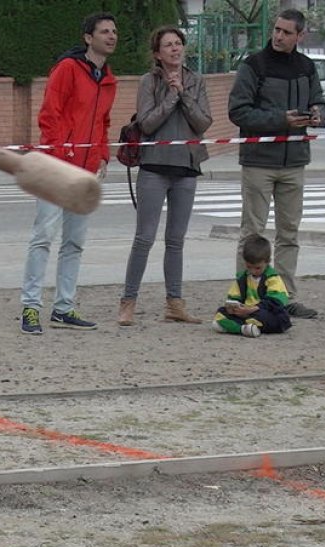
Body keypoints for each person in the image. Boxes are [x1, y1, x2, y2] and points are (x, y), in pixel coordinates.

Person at [19, 12, 117, 335]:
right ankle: (30, 307)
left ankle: (63, 306)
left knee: (74, 242)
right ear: (88, 37)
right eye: (104, 31)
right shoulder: (67, 70)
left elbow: (102, 122)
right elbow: (50, 114)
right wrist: (61, 155)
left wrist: (102, 155)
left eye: (114, 31)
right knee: (43, 237)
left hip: (86, 172)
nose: (111, 36)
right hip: (57, 166)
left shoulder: (109, 80)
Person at [227, 8, 324, 320]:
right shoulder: (254, 65)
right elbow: (238, 112)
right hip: (259, 160)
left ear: (300, 36)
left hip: (294, 160)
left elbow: (318, 98)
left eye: (286, 32)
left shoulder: (307, 67)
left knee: (289, 233)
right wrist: (278, 120)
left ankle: (285, 296)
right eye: (277, 30)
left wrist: (317, 111)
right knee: (252, 231)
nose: (279, 36)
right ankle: (245, 294)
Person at [117, 25, 211, 326]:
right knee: (144, 237)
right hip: (154, 167)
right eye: (168, 45)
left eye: (178, 43)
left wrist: (184, 95)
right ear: (157, 53)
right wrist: (171, 96)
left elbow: (203, 122)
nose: (175, 48)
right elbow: (146, 123)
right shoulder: (149, 82)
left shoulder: (196, 81)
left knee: (176, 239)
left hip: (186, 167)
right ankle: (128, 301)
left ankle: (175, 302)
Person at [212, 234, 292, 338]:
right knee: (220, 313)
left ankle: (239, 327)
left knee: (277, 319)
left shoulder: (272, 278)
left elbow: (276, 301)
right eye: (249, 267)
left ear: (267, 262)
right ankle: (244, 329)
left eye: (258, 268)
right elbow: (234, 297)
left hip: (263, 311)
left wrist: (254, 309)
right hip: (244, 312)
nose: (253, 271)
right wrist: (235, 308)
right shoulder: (242, 278)